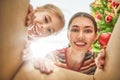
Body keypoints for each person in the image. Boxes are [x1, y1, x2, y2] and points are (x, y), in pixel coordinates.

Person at [30, 12, 105, 75]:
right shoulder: (54, 56)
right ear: (68, 35)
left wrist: (106, 63)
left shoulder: (97, 59)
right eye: (75, 30)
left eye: (88, 31)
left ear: (95, 36)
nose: (80, 37)